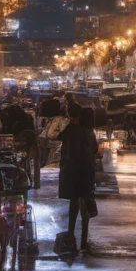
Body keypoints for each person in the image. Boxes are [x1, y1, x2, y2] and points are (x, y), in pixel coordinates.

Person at [57, 106, 99, 253]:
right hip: (87, 172)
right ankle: (84, 239)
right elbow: (95, 151)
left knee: (74, 203)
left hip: (73, 171)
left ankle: (70, 233)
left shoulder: (73, 130)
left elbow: (58, 136)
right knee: (85, 204)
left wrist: (70, 124)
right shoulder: (90, 132)